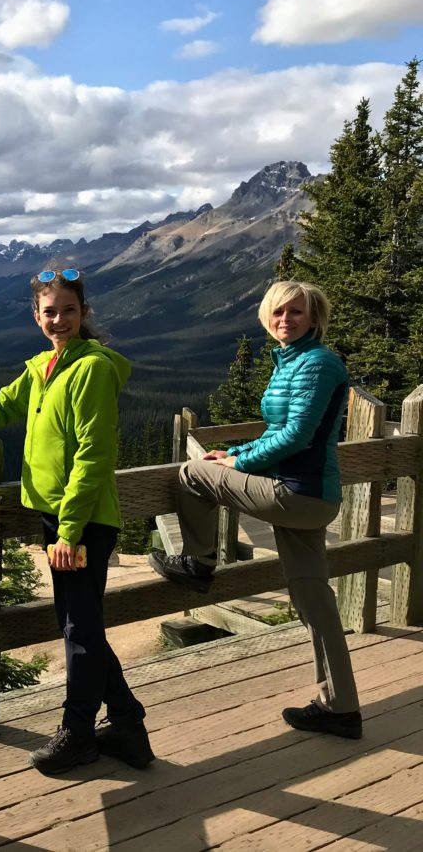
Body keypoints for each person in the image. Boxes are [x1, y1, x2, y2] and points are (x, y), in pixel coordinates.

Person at [0, 268, 153, 776]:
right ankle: (126, 722)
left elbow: (94, 455)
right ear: (36, 317)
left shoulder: (92, 370)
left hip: (80, 521)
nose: (59, 319)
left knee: (79, 629)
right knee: (81, 626)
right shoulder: (43, 368)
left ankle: (78, 734)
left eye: (69, 310)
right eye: (50, 311)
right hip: (57, 516)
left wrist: (71, 532)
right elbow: (2, 403)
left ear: (84, 314)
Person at [149, 279, 361, 739]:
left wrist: (238, 462)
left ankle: (197, 561)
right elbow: (276, 430)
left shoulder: (317, 363)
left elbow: (298, 436)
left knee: (190, 475)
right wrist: (235, 454)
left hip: (297, 493)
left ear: (314, 318)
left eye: (296, 312)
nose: (285, 319)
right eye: (278, 312)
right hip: (307, 496)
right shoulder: (290, 362)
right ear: (267, 317)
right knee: (314, 600)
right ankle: (341, 707)